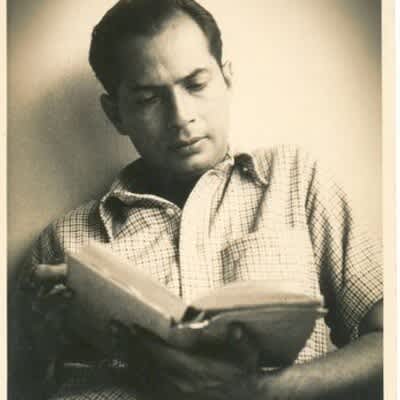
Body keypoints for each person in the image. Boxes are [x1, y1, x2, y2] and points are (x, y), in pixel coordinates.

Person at [14, 0, 383, 399]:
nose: (180, 117)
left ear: (226, 78)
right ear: (116, 114)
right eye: (148, 98)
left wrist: (257, 391)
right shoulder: (64, 243)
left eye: (195, 84)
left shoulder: (295, 179)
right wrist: (44, 345)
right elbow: (31, 381)